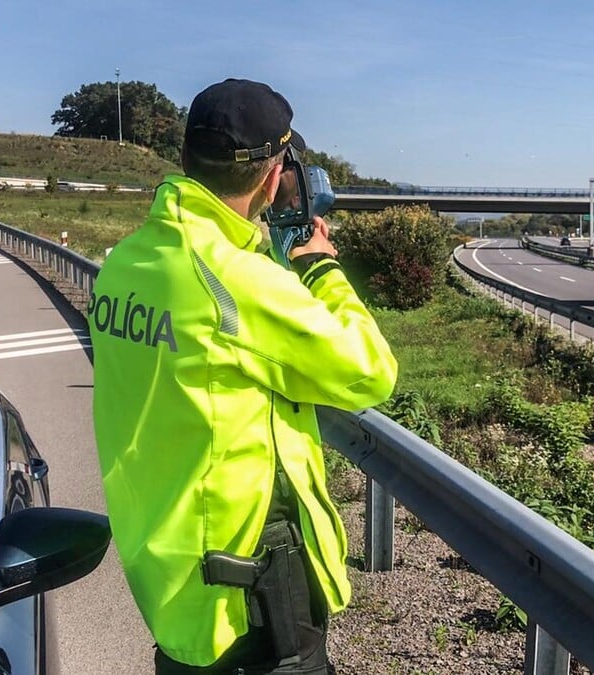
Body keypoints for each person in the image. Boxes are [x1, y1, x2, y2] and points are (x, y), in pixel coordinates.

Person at [88, 78, 398, 674]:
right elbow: (370, 371)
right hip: (249, 601)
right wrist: (318, 267)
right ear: (273, 172)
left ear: (184, 157)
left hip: (170, 576)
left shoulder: (126, 263)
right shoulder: (238, 282)